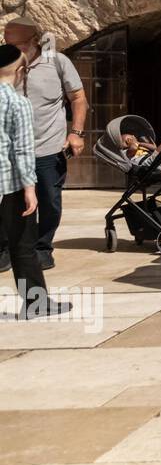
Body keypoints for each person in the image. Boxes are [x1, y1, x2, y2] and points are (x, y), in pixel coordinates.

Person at [1, 16, 87, 272]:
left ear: (35, 41)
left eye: (17, 46)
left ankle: (42, 248)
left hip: (48, 148)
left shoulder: (58, 62)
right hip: (9, 150)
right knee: (7, 202)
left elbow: (78, 98)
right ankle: (4, 249)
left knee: (49, 200)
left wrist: (76, 133)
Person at [0, 43, 68, 318]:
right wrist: (30, 188)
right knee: (23, 245)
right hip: (11, 185)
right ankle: (36, 303)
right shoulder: (18, 103)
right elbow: (23, 150)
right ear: (20, 71)